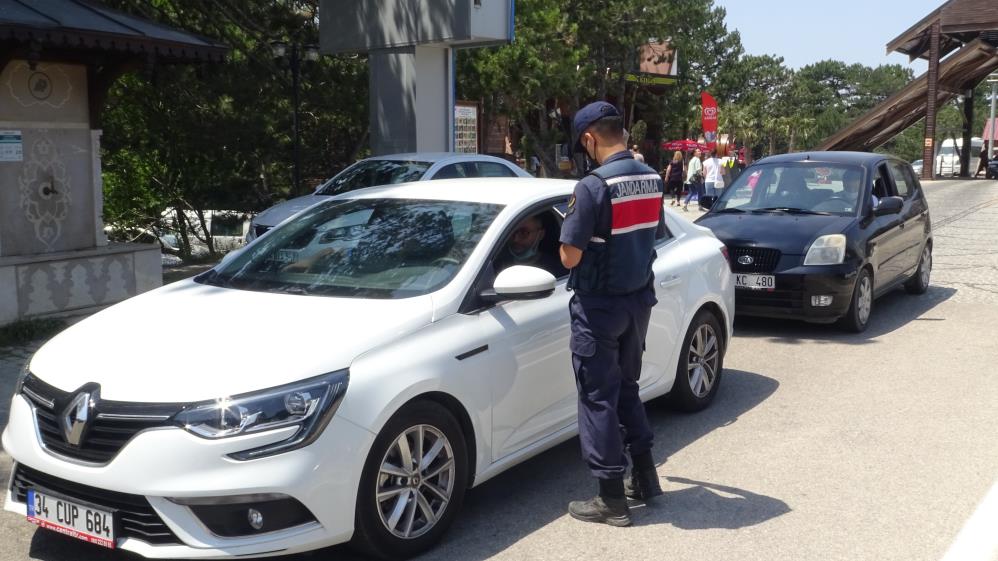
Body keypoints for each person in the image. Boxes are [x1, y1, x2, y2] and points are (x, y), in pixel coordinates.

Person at [559, 101, 666, 527]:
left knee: (597, 398)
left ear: (589, 139)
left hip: (599, 307)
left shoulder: (592, 186)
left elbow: (568, 257)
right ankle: (645, 478)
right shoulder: (653, 178)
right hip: (637, 301)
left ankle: (610, 499)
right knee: (626, 389)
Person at [493, 213, 562, 274]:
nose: (515, 239)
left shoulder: (554, 269)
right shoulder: (493, 263)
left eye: (524, 233)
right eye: (512, 231)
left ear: (540, 234)